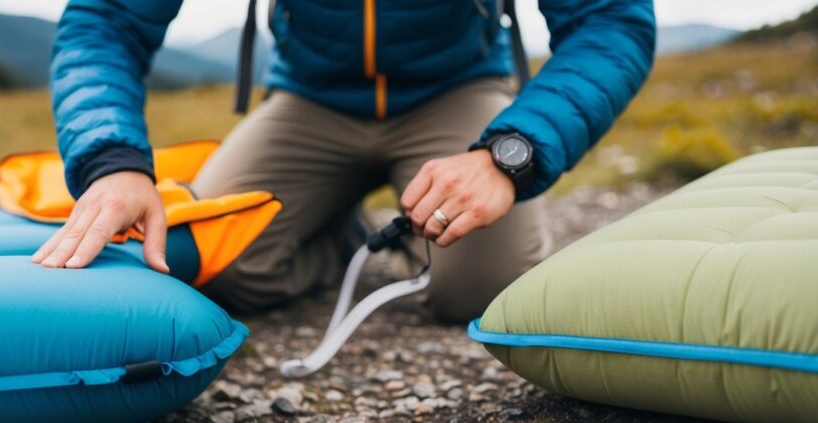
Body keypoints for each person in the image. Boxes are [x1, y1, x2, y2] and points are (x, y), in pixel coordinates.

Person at [33, 0, 656, 322]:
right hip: (310, 98)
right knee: (218, 264)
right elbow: (106, 20)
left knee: (481, 291)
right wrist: (113, 160)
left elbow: (610, 22)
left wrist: (508, 156)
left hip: (456, 92)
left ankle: (424, 236)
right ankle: (339, 237)